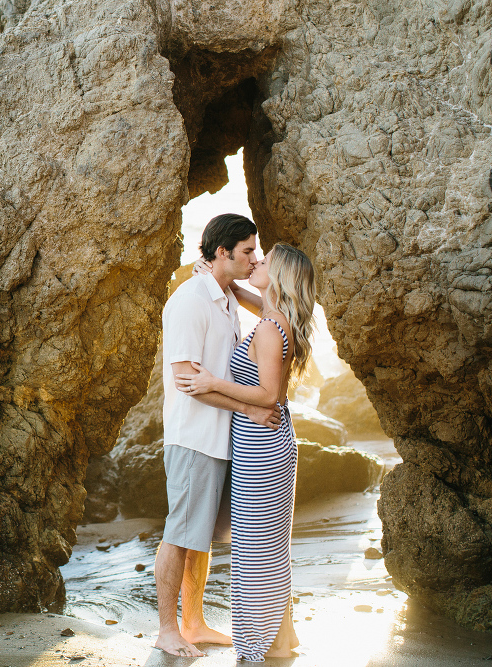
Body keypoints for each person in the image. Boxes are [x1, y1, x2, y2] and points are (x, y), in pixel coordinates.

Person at [177, 242, 316, 661]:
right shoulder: (275, 316)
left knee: (257, 552)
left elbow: (269, 394)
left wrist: (213, 383)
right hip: (264, 442)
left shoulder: (272, 328)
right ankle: (280, 640)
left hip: (264, 443)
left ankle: (261, 643)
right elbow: (241, 294)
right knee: (268, 548)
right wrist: (215, 272)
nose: (255, 262)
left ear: (280, 277)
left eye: (264, 260)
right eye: (252, 255)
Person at [154, 214, 282, 658]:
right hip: (193, 437)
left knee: (200, 535)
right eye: (247, 251)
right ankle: (167, 630)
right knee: (180, 533)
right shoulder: (189, 301)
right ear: (223, 251)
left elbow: (268, 309)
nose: (255, 258)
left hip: (221, 437)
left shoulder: (224, 295)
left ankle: (193, 622)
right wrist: (249, 406)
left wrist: (234, 282)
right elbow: (188, 378)